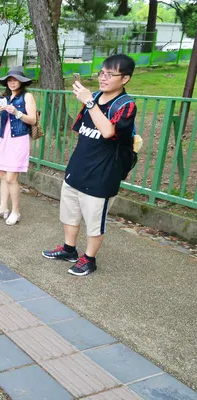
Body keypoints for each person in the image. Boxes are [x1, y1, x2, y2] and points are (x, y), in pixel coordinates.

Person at [42, 54, 137, 276]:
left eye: (110, 74)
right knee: (69, 213)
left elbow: (107, 131)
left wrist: (90, 103)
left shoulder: (126, 105)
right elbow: (84, 132)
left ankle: (89, 259)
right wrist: (91, 101)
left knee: (95, 221)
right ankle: (68, 249)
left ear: (125, 79)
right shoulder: (93, 97)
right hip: (78, 167)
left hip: (103, 174)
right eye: (101, 73)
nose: (103, 78)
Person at [0, 66, 37, 227]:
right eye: (9, 80)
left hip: (19, 139)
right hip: (5, 138)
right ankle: (3, 208)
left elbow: (33, 120)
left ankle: (16, 211)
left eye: (15, 80)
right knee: (2, 175)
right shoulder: (4, 97)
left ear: (21, 82)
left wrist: (17, 113)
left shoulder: (27, 96)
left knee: (11, 177)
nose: (12, 82)